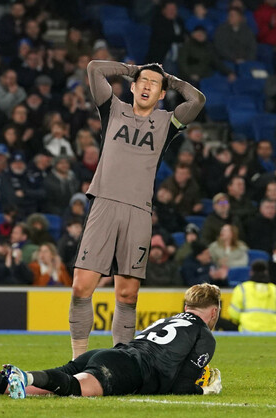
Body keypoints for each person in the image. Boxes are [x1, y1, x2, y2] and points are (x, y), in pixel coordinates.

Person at [70, 60, 205, 358]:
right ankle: (77, 361)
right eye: (142, 81)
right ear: (132, 87)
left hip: (139, 212)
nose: (147, 86)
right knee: (81, 287)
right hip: (104, 203)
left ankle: (121, 362)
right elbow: (94, 69)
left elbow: (197, 100)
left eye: (154, 84)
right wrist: (133, 69)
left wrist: (169, 79)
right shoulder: (113, 109)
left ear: (161, 94)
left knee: (127, 294)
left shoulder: (167, 122)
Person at [0, 283, 223, 398]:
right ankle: (24, 377)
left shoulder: (169, 319)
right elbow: (180, 384)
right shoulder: (204, 334)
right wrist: (203, 389)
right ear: (214, 310)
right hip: (125, 368)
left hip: (107, 354)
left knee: (14, 388)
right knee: (72, 389)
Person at [228, 260, 276, 332]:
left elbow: (233, 314)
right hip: (273, 331)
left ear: (251, 272)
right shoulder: (274, 289)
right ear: (266, 272)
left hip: (247, 330)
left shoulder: (242, 288)